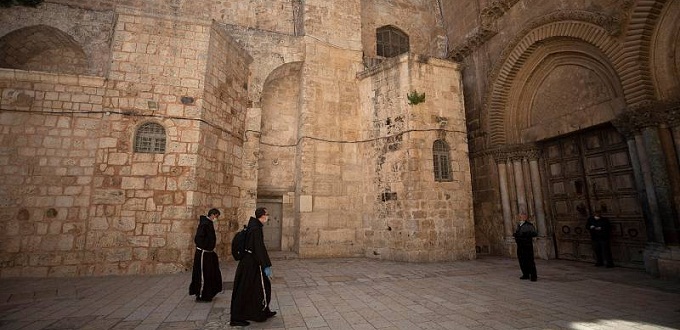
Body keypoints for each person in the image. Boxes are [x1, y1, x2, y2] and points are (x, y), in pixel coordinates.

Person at [229, 207, 277, 327]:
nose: (268, 216)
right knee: (245, 289)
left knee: (258, 288)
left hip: (250, 262)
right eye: (267, 214)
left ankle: (262, 311)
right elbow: (259, 249)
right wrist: (266, 265)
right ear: (262, 215)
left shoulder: (254, 226)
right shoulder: (256, 229)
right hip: (250, 264)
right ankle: (236, 318)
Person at [189, 208, 223, 302]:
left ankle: (208, 292)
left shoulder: (208, 223)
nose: (216, 218)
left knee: (210, 273)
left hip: (208, 253)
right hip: (203, 253)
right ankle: (201, 294)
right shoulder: (204, 224)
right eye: (216, 216)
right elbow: (198, 239)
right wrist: (206, 247)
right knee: (203, 274)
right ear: (212, 214)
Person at [513, 212, 538, 281]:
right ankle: (525, 274)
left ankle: (533, 276)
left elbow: (534, 233)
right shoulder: (518, 225)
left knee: (530, 260)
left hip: (527, 246)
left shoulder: (529, 225)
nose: (522, 218)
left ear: (526, 217)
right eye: (521, 216)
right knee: (522, 260)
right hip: (520, 245)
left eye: (523, 216)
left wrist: (525, 234)